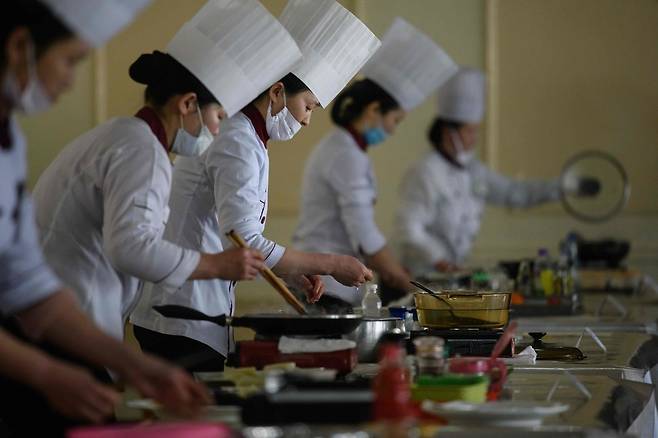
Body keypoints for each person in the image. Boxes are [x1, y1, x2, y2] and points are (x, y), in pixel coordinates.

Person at [131, 0, 379, 368]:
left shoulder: (249, 138)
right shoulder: (237, 139)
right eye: (308, 106)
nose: (308, 120)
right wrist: (330, 263)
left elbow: (236, 241)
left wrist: (293, 270)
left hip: (192, 310)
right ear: (277, 92)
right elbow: (246, 240)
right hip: (181, 314)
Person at [0, 1, 208, 435]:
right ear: (20, 46)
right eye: (70, 60)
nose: (70, 80)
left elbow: (27, 284)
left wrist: (137, 366)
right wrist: (45, 373)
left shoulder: (10, 141)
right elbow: (129, 246)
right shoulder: (136, 146)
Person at [32, 0, 269, 348]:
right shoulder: (141, 150)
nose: (218, 131)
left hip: (64, 314)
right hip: (67, 322)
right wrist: (217, 265)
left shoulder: (126, 136)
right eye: (218, 116)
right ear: (187, 104)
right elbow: (131, 248)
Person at [292, 18, 458, 306]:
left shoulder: (347, 149)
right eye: (394, 120)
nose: (393, 130)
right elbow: (365, 234)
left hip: (333, 284)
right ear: (374, 110)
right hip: (327, 287)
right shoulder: (345, 154)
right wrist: (408, 283)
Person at [394, 67, 600, 279]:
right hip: (419, 277)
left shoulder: (474, 171)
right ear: (449, 131)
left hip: (450, 277)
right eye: (470, 131)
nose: (474, 138)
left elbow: (515, 193)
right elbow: (408, 229)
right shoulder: (425, 172)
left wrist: (566, 186)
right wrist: (439, 259)